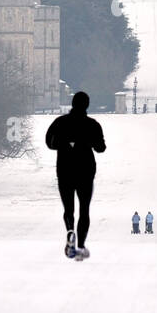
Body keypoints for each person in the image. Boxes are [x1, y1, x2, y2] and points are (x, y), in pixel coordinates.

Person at [45, 91, 106, 260]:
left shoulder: (59, 122)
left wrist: (65, 144)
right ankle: (81, 246)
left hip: (64, 170)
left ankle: (70, 230)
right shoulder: (92, 124)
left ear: (72, 103)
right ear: (87, 105)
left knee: (68, 208)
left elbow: (50, 143)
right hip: (85, 171)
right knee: (84, 209)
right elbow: (101, 148)